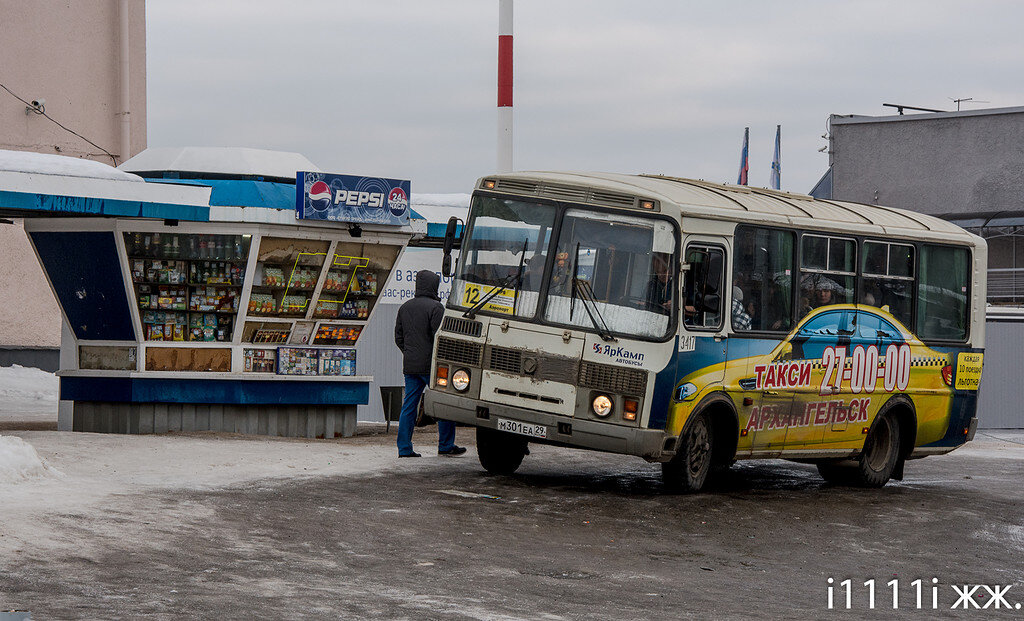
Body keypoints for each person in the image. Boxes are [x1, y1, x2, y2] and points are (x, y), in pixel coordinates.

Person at [394, 270, 466, 458]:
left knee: (409, 406)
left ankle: (404, 448)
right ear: (434, 286)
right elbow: (439, 338)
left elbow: (398, 338)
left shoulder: (405, 307)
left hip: (410, 366)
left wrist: (409, 353)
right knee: (443, 402)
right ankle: (445, 445)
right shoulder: (436, 308)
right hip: (432, 367)